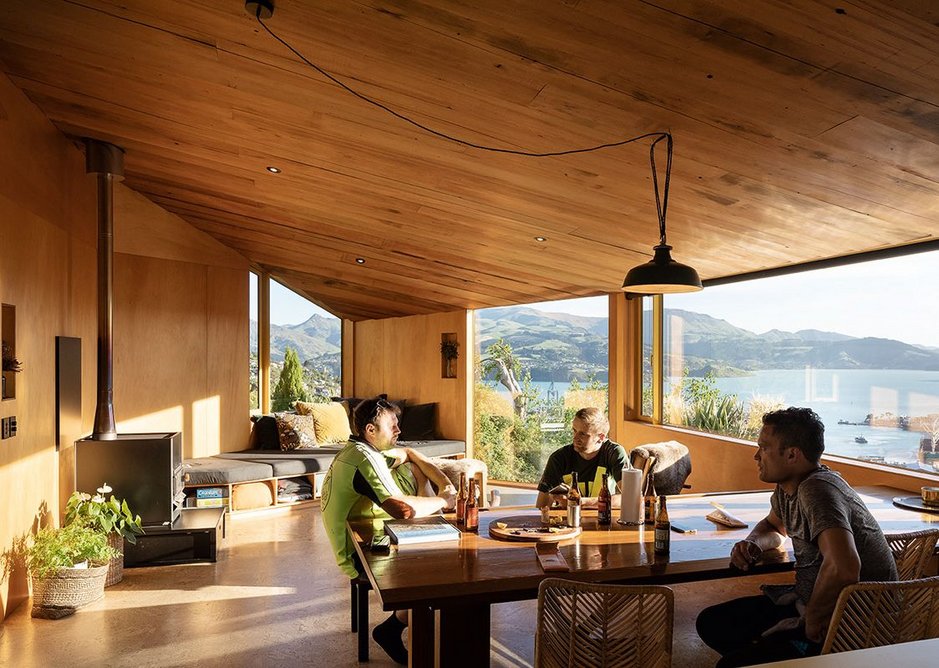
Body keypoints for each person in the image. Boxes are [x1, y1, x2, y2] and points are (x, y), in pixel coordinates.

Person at [695, 407, 897, 666]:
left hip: (850, 624)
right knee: (713, 623)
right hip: (811, 606)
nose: (756, 456)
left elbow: (844, 567)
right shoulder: (789, 486)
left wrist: (809, 620)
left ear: (792, 454)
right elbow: (774, 526)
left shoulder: (817, 490)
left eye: (764, 448)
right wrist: (753, 543)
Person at [320, 397, 457, 665]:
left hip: (368, 535)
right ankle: (395, 630)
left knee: (438, 547)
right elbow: (402, 510)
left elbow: (409, 454)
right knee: (437, 563)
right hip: (359, 551)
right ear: (370, 430)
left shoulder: (363, 450)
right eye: (392, 425)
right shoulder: (364, 459)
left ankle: (403, 626)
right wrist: (445, 500)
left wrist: (444, 483)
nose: (398, 430)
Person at [535, 407, 628, 509]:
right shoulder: (559, 458)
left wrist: (580, 502)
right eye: (574, 431)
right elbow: (541, 507)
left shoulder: (614, 453)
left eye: (583, 434)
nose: (575, 438)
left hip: (604, 519)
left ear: (601, 437)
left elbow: (630, 498)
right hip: (569, 520)